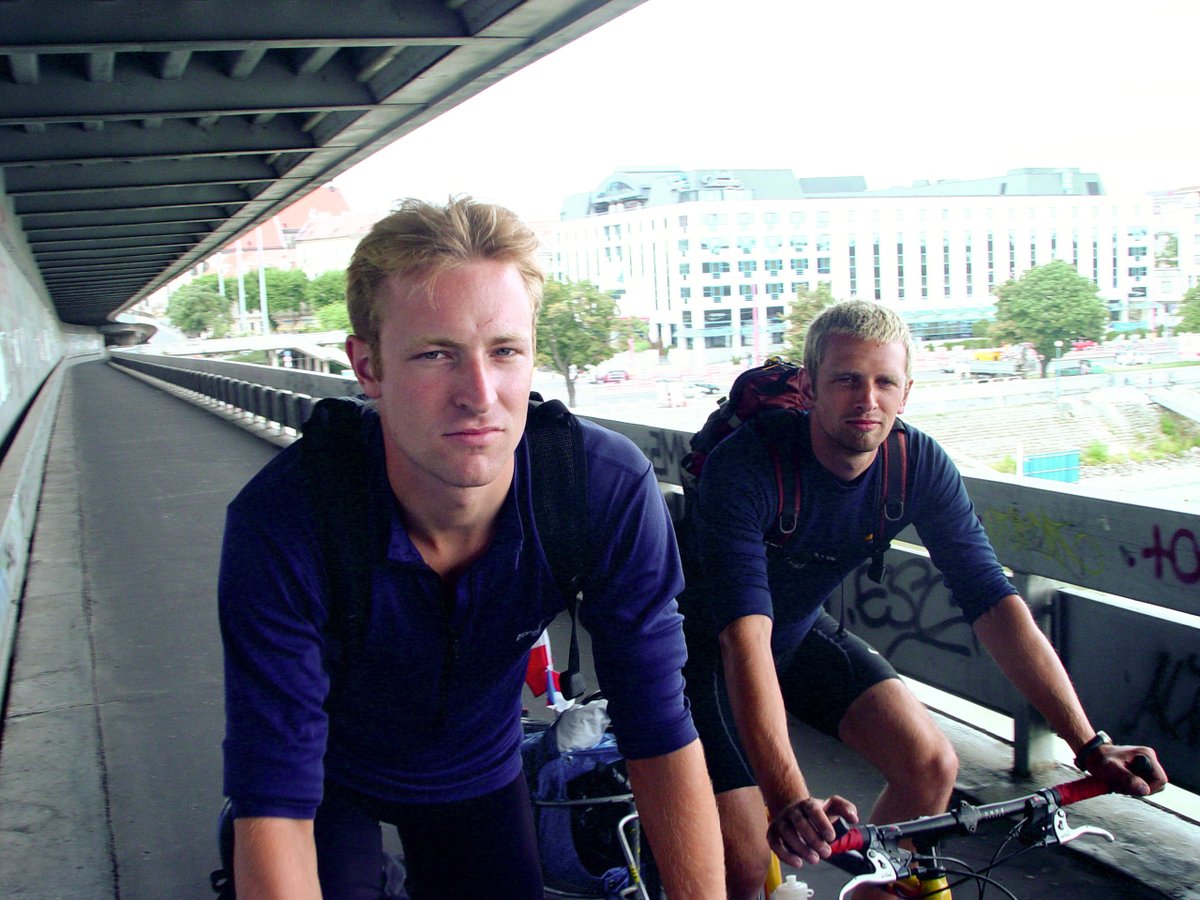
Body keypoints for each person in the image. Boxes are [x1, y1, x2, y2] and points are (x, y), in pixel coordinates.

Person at [219, 196, 724, 899]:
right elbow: (274, 792)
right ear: (368, 368)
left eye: (505, 352)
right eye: (435, 355)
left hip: (476, 767)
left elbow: (658, 729)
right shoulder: (287, 522)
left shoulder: (595, 488)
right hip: (325, 774)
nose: (480, 394)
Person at [679, 299, 1169, 900]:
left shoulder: (916, 464)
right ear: (808, 387)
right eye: (846, 380)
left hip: (798, 634)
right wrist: (789, 799)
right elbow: (742, 638)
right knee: (746, 868)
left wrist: (1088, 745)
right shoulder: (749, 465)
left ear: (906, 393)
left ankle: (869, 889)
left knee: (930, 765)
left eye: (885, 382)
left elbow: (995, 603)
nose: (867, 400)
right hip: (698, 660)